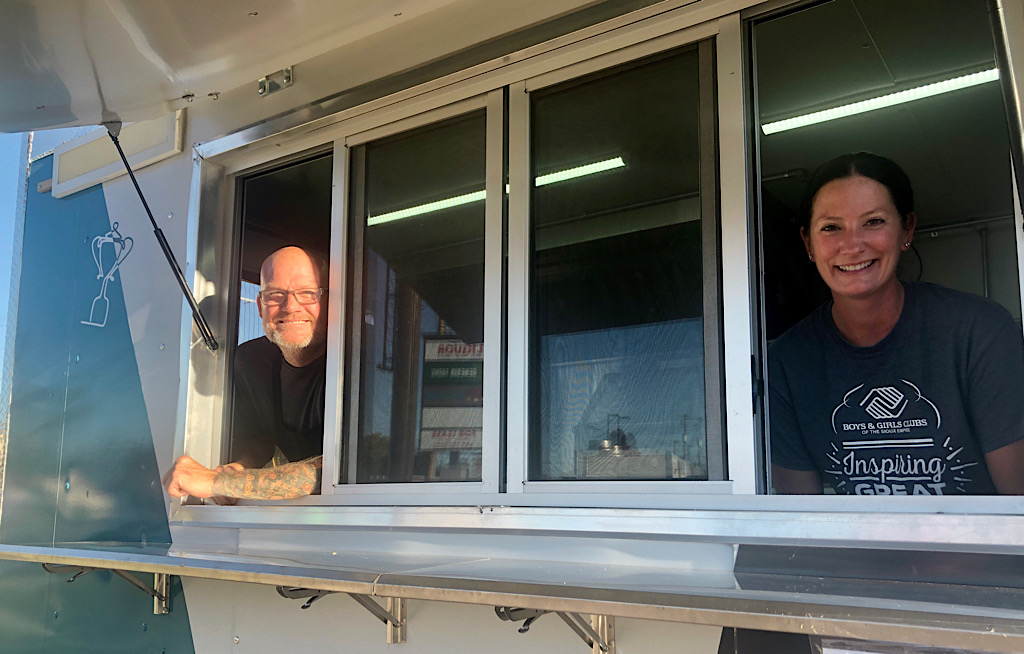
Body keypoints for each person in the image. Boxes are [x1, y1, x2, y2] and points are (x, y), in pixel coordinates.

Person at [769, 152, 1024, 495]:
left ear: (907, 229)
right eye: (831, 227)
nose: (852, 245)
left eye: (873, 221)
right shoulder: (786, 363)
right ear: (808, 243)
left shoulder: (980, 331)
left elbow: (1018, 504)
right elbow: (801, 518)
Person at [164, 246, 327, 500]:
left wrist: (222, 482)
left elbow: (337, 472)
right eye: (275, 295)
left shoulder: (360, 365)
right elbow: (259, 438)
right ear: (260, 306)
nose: (290, 306)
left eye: (307, 293)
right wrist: (239, 466)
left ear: (329, 301)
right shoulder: (251, 361)